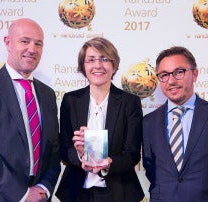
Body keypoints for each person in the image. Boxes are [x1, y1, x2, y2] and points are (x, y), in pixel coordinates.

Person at [0, 18, 61, 202]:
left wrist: (43, 187)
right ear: (8, 42)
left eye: (38, 44)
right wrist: (23, 195)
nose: (32, 49)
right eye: (25, 41)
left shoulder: (47, 94)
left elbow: (53, 150)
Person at [142, 46, 208, 202]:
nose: (171, 81)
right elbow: (151, 170)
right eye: (164, 75)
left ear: (194, 74)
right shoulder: (149, 123)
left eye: (179, 72)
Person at [55, 37, 144, 202]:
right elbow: (64, 148)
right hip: (76, 192)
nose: (97, 65)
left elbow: (132, 154)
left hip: (118, 192)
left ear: (114, 65)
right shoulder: (70, 100)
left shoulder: (130, 102)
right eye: (90, 60)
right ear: (83, 66)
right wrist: (80, 156)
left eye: (104, 59)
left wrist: (109, 163)